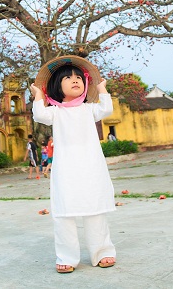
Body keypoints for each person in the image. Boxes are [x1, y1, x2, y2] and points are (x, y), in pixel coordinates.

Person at [30, 55, 116, 274]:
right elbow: (39, 114)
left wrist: (102, 89)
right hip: (66, 170)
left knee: (95, 210)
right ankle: (67, 256)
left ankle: (103, 251)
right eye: (67, 78)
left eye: (79, 77)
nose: (74, 80)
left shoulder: (89, 109)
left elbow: (107, 110)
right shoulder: (56, 113)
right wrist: (39, 95)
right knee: (64, 213)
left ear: (86, 83)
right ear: (57, 87)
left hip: (91, 167)